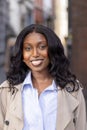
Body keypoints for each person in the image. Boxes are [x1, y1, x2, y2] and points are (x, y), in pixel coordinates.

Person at [0, 24, 87, 130]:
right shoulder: (6, 91)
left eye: (42, 47)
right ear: (22, 54)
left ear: (52, 50)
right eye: (28, 48)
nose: (35, 54)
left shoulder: (73, 90)